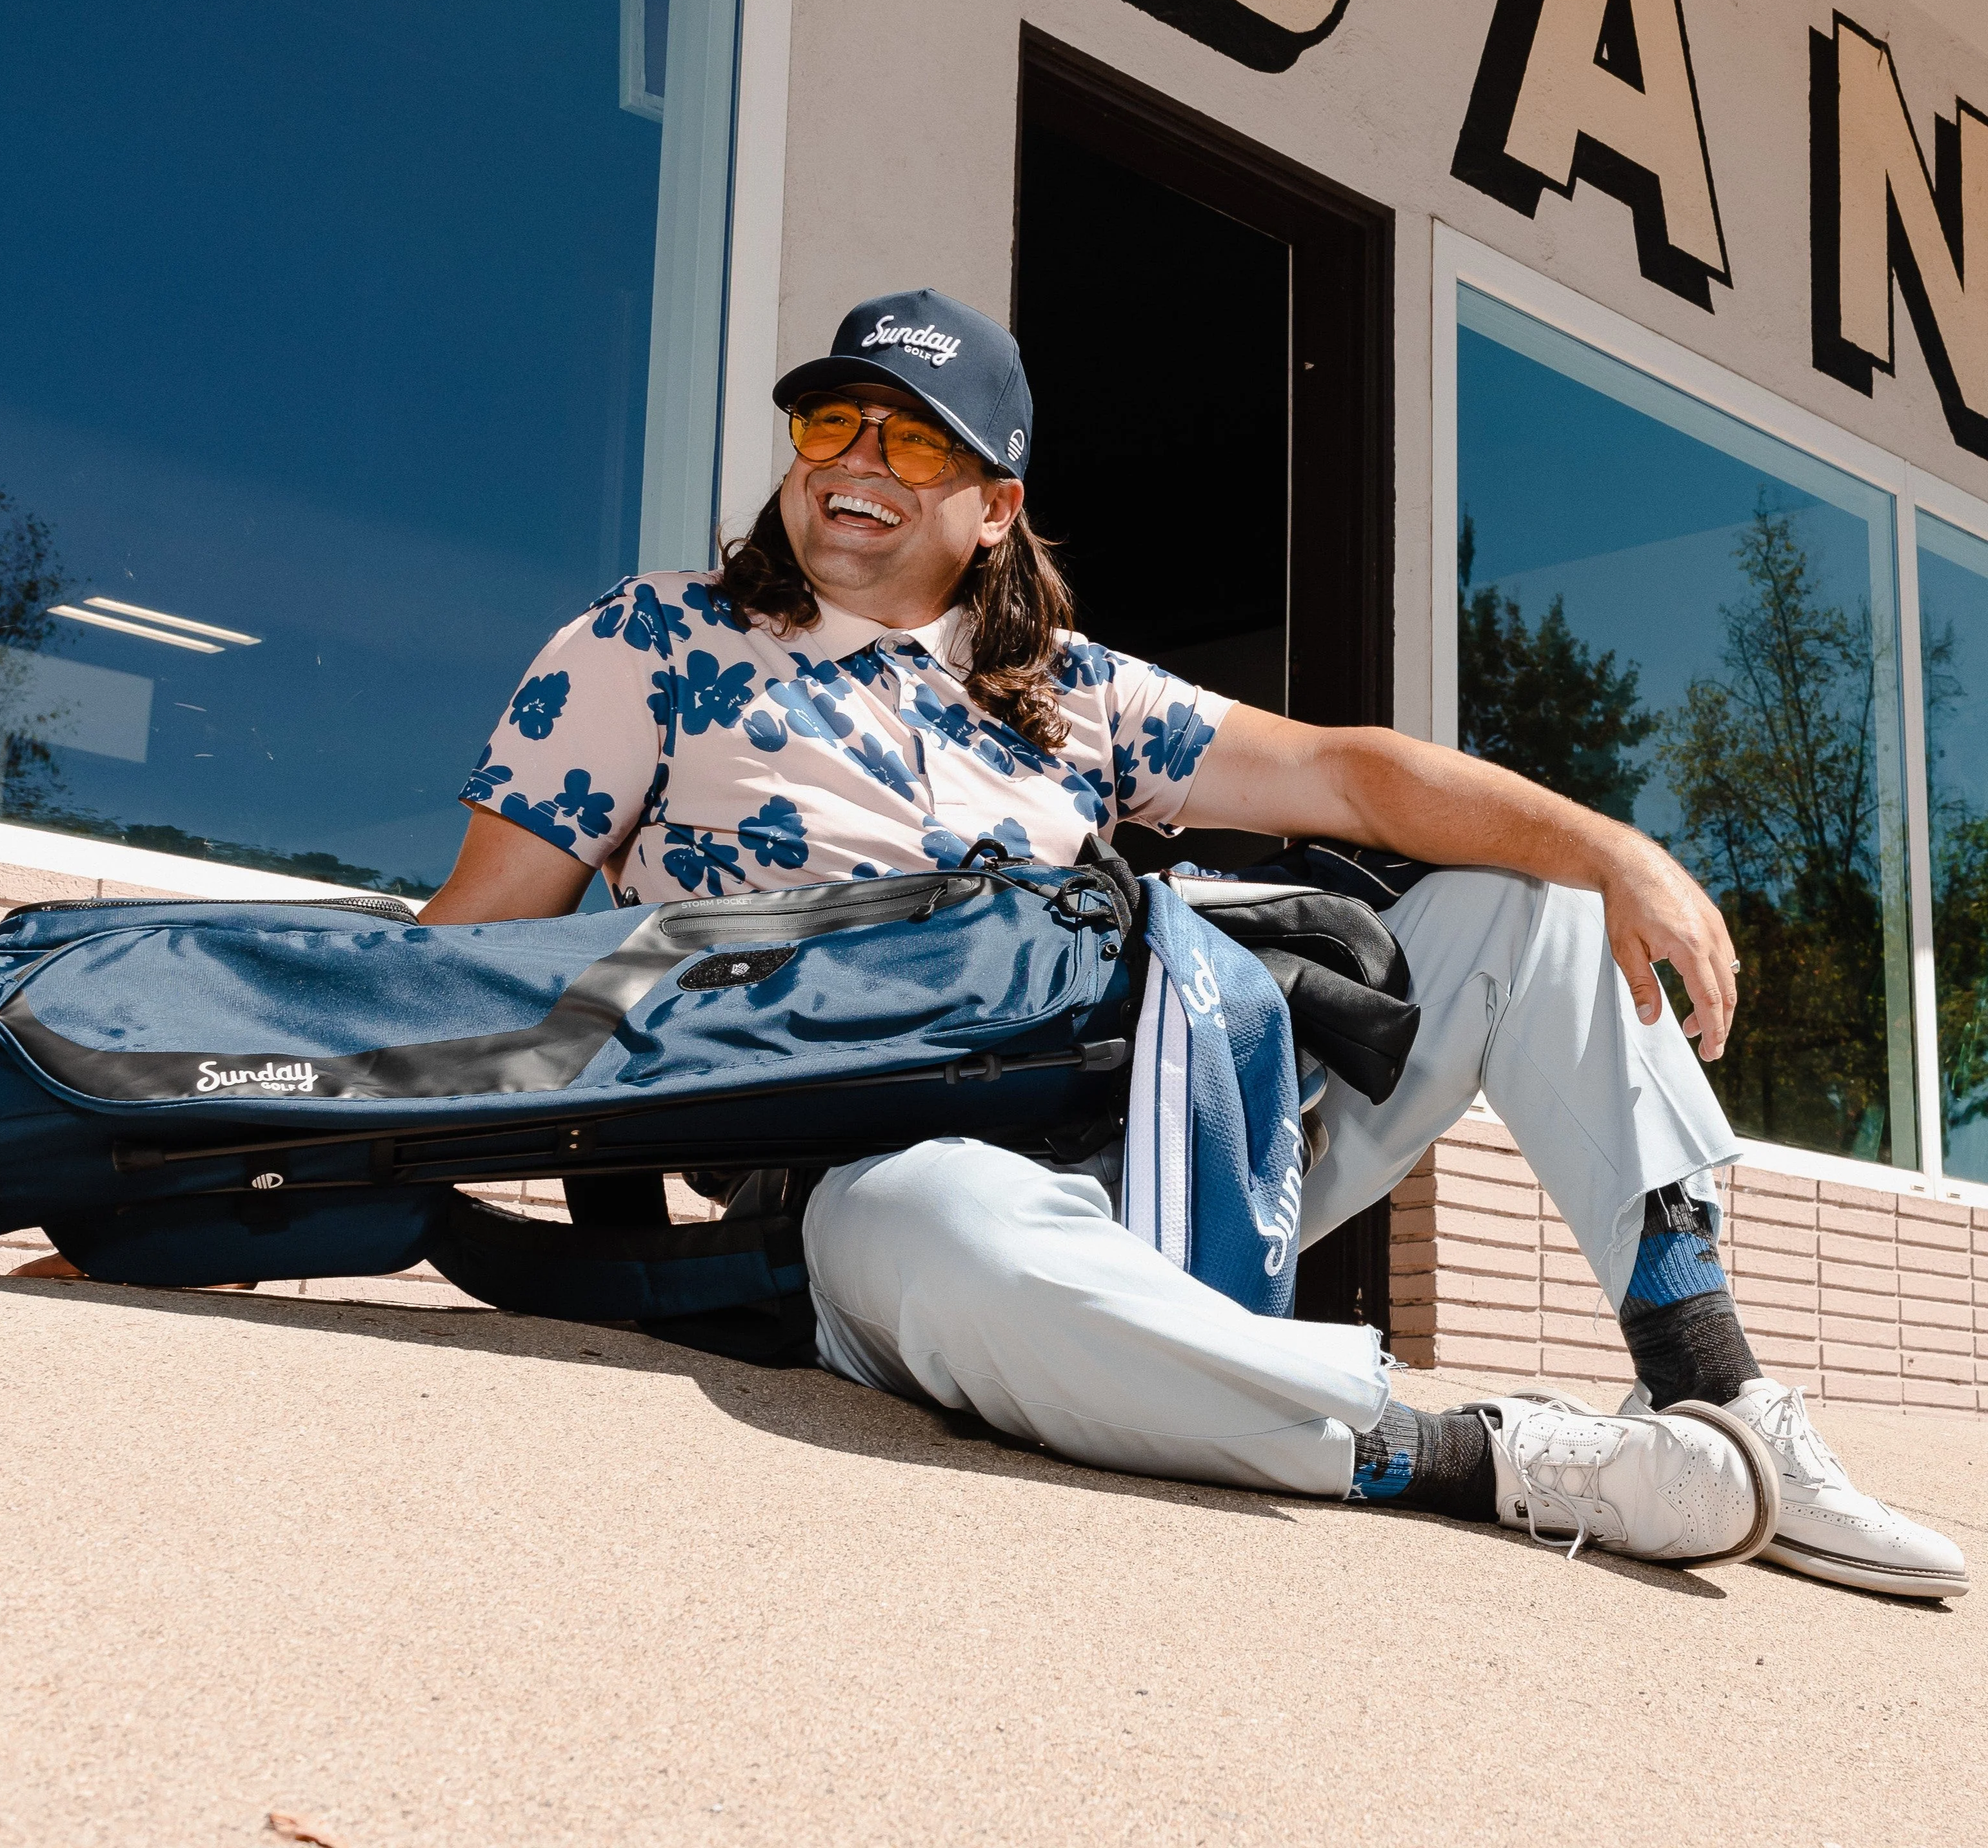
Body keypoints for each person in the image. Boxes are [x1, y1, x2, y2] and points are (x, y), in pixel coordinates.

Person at [423, 287, 1965, 1596]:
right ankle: (1497, 1461)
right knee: (955, 1239)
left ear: (995, 502)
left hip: (1178, 1142)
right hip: (876, 1181)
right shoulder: (656, 643)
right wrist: (250, 1152)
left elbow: (1353, 772)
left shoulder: (1060, 688)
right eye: (832, 425)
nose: (858, 462)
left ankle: (1717, 1394)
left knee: (1530, 893)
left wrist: (1610, 845)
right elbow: (467, 953)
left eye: (914, 438)